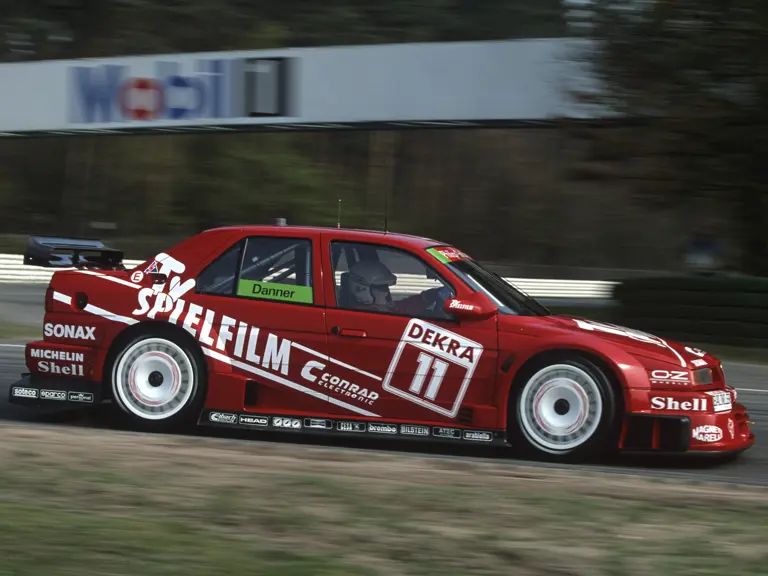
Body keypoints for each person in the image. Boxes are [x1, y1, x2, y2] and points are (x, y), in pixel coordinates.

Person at [347, 260, 449, 316]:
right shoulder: (367, 314)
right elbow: (402, 311)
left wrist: (430, 295)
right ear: (362, 290)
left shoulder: (382, 307)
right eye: (381, 287)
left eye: (386, 287)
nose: (386, 292)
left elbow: (403, 306)